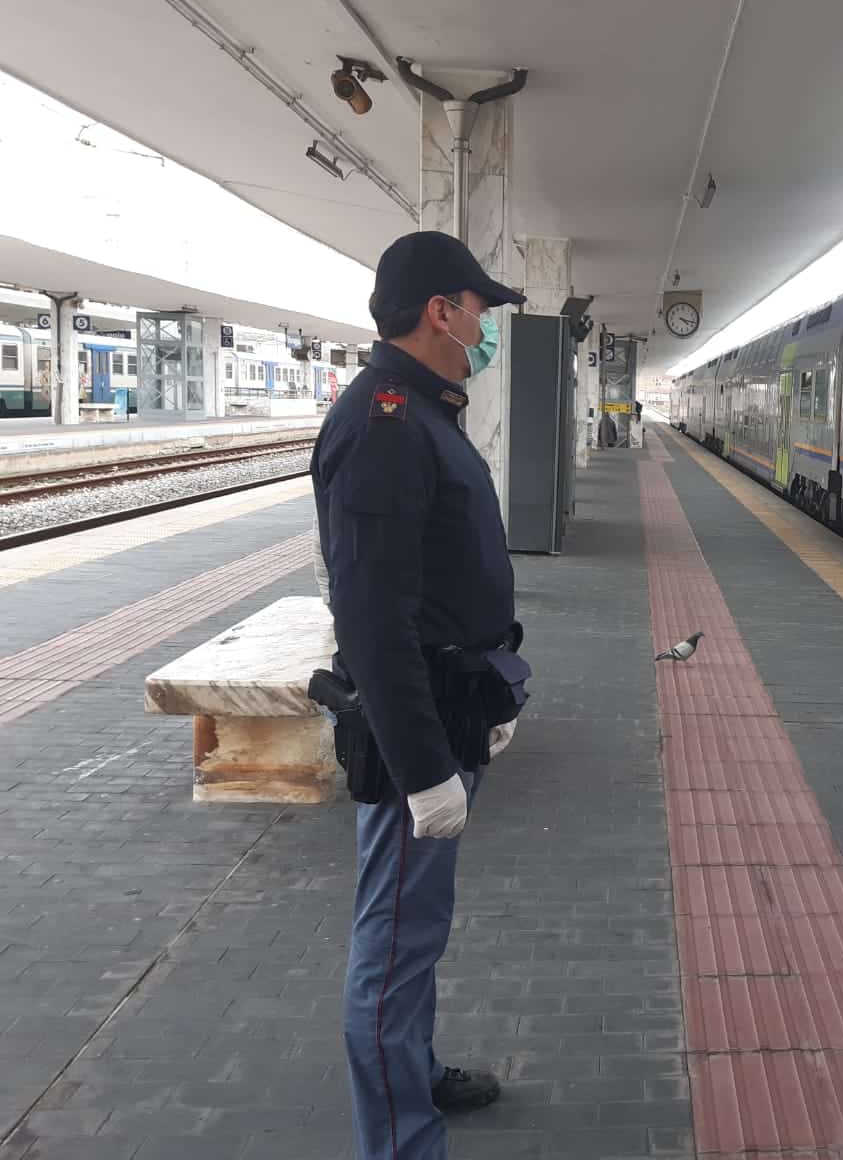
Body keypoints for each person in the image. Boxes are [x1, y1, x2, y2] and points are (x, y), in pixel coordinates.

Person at [311, 230, 525, 1159]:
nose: (485, 327)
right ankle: (401, 1141)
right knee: (394, 946)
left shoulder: (425, 415)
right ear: (442, 310)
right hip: (419, 731)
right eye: (479, 309)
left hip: (453, 707)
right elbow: (371, 617)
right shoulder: (386, 425)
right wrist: (423, 767)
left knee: (417, 930)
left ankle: (415, 1072)